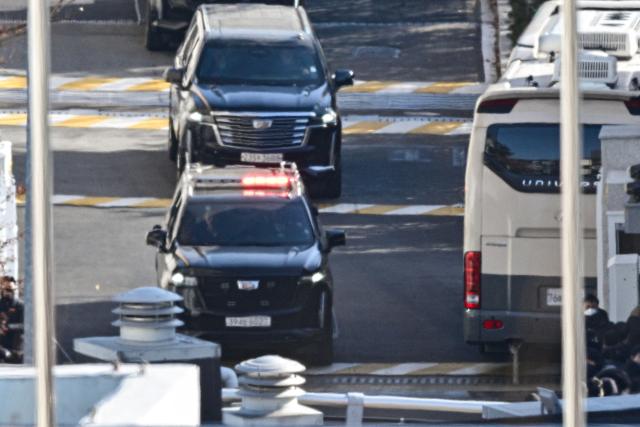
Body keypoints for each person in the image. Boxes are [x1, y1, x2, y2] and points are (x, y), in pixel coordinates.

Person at [0, 276, 23, 363]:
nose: (7, 292)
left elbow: (26, 325)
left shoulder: (20, 305)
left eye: (10, 289)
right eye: (5, 289)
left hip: (15, 347)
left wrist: (8, 327)